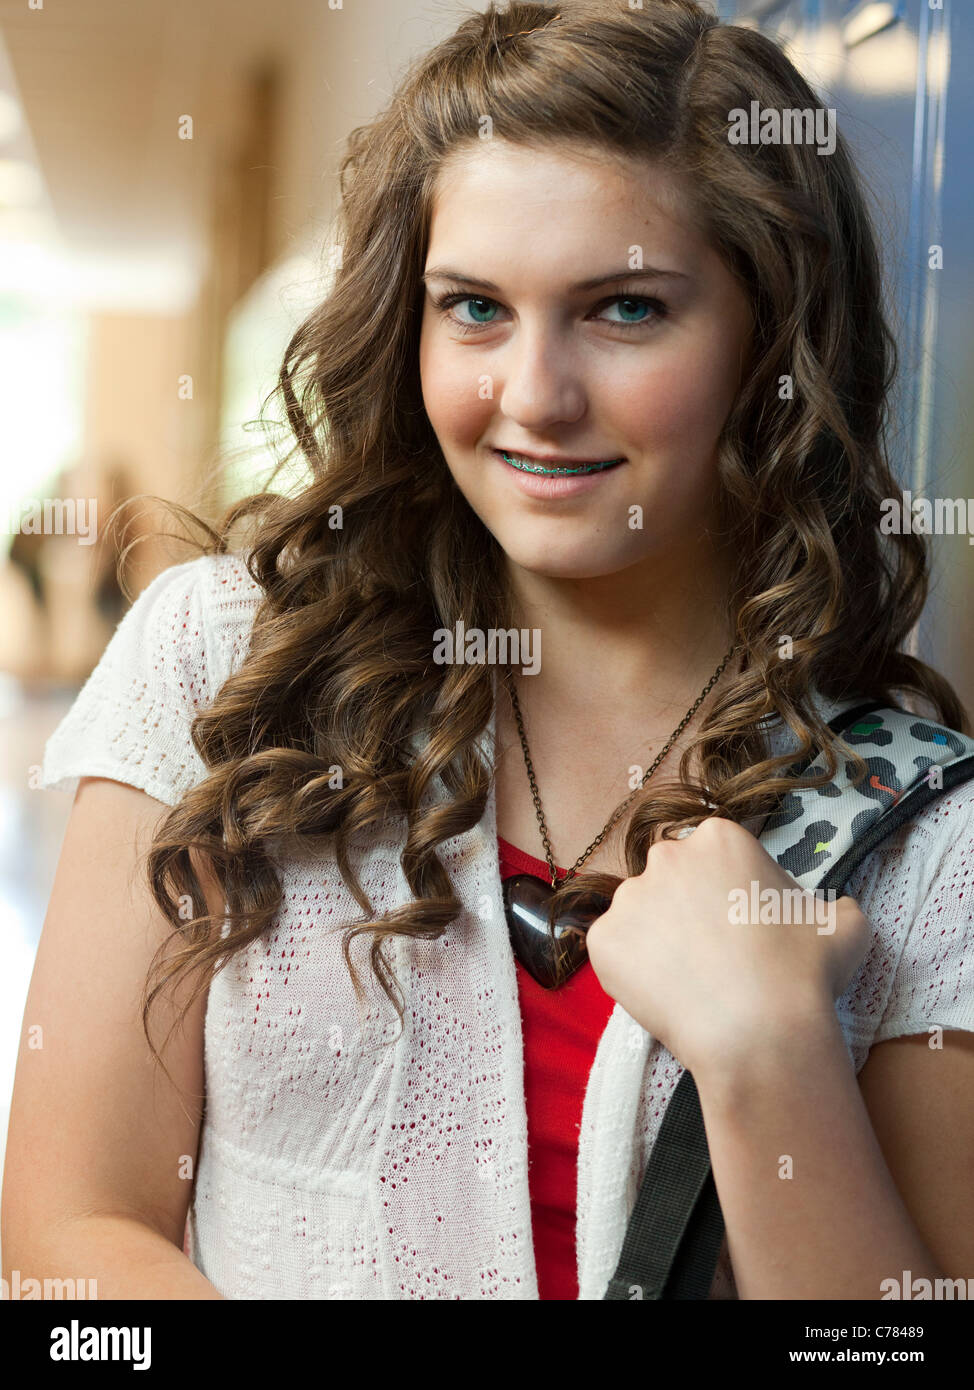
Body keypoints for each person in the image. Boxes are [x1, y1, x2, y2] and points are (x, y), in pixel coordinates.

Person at [4, 0, 973, 1302]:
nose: (531, 394)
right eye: (472, 309)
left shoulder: (923, 834)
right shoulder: (227, 666)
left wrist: (771, 1061)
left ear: (771, 343)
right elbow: (68, 1236)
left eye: (624, 309)